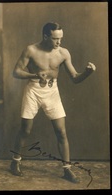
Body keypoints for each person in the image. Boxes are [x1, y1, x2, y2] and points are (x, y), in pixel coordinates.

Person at [10, 22, 96, 183]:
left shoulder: (63, 53)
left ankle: (67, 170)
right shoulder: (31, 50)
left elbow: (75, 78)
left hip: (52, 92)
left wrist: (87, 72)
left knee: (61, 132)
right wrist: (34, 75)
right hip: (33, 91)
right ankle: (15, 162)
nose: (59, 42)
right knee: (25, 130)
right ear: (45, 36)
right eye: (56, 39)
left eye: (61, 38)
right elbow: (16, 72)